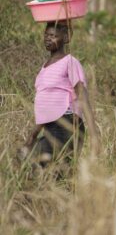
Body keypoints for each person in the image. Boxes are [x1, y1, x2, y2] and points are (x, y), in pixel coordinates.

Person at [21, 21, 98, 167]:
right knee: (33, 163)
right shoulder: (45, 67)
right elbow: (48, 107)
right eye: (46, 35)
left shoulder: (70, 62)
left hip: (68, 125)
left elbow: (82, 95)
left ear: (65, 39)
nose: (48, 38)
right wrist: (33, 135)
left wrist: (94, 135)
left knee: (52, 168)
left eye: (54, 36)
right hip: (50, 128)